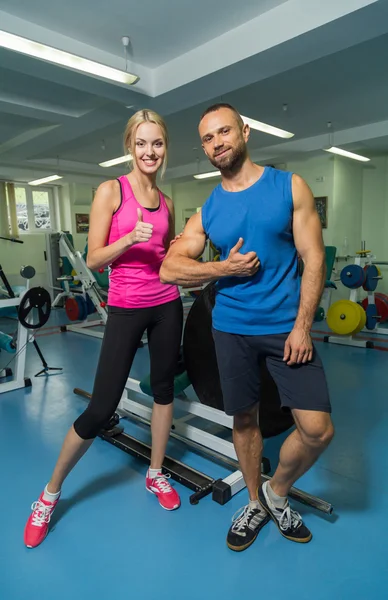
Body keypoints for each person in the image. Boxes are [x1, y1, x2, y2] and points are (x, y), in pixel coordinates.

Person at [160, 103, 334, 552]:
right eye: (207, 139)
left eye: (224, 132)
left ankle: (277, 491)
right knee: (243, 418)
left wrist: (302, 326)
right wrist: (222, 267)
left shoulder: (288, 186)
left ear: (245, 132)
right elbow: (169, 269)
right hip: (230, 329)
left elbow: (313, 258)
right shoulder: (209, 209)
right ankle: (256, 501)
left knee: (317, 430)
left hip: (284, 329)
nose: (217, 143)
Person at [24, 109, 183, 549]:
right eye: (142, 143)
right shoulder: (111, 190)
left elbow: (166, 260)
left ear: (165, 148)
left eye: (158, 144)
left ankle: (155, 473)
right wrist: (129, 238)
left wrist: (193, 264)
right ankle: (49, 495)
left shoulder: (167, 202)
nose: (150, 152)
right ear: (129, 146)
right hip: (127, 307)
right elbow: (93, 258)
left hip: (168, 305)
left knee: (165, 390)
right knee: (100, 408)